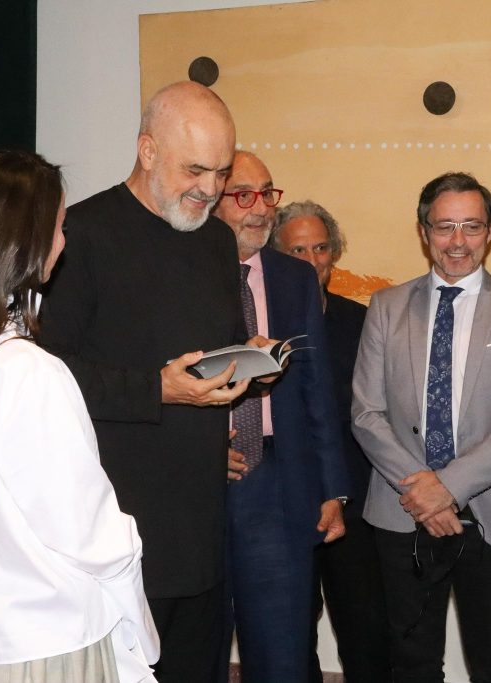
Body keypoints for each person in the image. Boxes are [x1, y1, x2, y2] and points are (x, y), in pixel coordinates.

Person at [0, 150, 159, 682]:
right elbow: (90, 535)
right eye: (59, 226)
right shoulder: (28, 372)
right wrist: (139, 631)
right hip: (47, 645)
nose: (63, 242)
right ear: (28, 241)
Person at [38, 82, 250, 683]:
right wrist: (157, 390)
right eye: (196, 169)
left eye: (222, 172)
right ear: (148, 151)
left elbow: (210, 353)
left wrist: (247, 362)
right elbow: (47, 376)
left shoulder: (217, 239)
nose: (210, 189)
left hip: (202, 528)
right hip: (115, 534)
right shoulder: (81, 235)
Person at [352, 172, 491, 683]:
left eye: (472, 226)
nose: (458, 241)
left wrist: (449, 487)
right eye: (444, 226)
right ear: (423, 231)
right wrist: (425, 493)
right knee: (411, 663)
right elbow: (366, 413)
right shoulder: (386, 307)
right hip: (403, 509)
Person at [213, 152, 351, 682]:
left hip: (277, 479)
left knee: (281, 652)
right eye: (244, 195)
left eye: (267, 193)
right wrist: (203, 446)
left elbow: (317, 388)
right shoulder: (181, 270)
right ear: (214, 200)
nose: (260, 208)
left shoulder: (294, 278)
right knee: (198, 646)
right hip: (203, 480)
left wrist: (333, 489)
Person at [270, 200, 392, 683]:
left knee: (367, 634)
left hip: (355, 503)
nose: (311, 260)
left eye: (320, 248)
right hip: (284, 500)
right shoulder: (259, 327)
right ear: (275, 256)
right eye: (297, 250)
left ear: (335, 253)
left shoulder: (362, 322)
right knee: (291, 634)